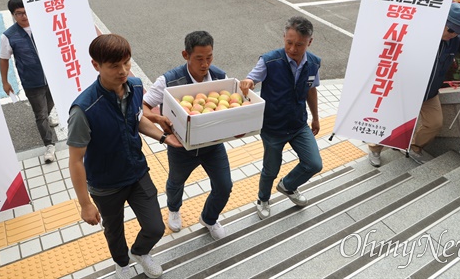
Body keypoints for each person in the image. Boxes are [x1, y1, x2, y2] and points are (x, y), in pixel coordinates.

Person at [68, 34, 179, 279]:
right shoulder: (84, 109)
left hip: (137, 173)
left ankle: (140, 252)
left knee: (155, 227)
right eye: (114, 66)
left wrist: (163, 137)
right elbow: (75, 160)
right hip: (105, 185)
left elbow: (136, 119)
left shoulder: (136, 86)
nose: (123, 71)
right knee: (114, 230)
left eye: (127, 63)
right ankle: (122, 263)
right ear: (96, 65)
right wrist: (85, 204)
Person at [143, 31, 232, 240]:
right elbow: (144, 106)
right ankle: (173, 209)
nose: (205, 64)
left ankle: (209, 218)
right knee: (176, 182)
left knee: (225, 185)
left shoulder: (220, 77)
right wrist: (158, 119)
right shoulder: (169, 80)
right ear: (186, 55)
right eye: (199, 58)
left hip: (213, 145)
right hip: (180, 147)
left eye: (209, 57)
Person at [367, 3, 460, 167]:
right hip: (405, 90)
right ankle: (374, 148)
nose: (454, 34)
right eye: (451, 29)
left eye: (458, 31)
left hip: (430, 93)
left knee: (435, 123)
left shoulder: (455, 40)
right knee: (390, 121)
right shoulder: (417, 34)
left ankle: (415, 148)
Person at [240, 16, 323, 220]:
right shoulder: (269, 60)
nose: (293, 49)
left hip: (298, 124)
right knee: (270, 169)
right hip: (273, 127)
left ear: (309, 42)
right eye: (289, 42)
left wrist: (315, 118)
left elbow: (311, 90)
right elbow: (252, 78)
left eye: (299, 45)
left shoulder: (313, 63)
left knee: (314, 164)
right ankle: (263, 199)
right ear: (284, 37)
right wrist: (248, 82)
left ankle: (288, 186)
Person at [0, 0, 58, 164]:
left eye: (26, 12)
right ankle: (49, 145)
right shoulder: (8, 36)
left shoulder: (43, 26)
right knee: (40, 115)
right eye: (19, 13)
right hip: (32, 82)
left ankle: (47, 119)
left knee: (49, 106)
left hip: (52, 79)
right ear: (13, 15)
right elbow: (4, 59)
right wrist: (5, 81)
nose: (24, 16)